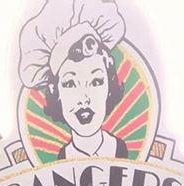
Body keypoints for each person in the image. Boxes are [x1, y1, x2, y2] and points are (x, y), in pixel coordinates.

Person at [20, 0, 128, 159]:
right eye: (70, 84)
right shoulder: (59, 159)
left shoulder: (121, 150)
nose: (84, 98)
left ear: (109, 88)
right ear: (55, 92)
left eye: (96, 82)